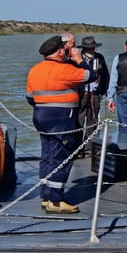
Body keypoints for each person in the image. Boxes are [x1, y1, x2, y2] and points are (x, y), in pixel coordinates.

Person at [26, 35, 96, 214]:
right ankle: (56, 200)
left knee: (48, 155)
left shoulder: (35, 70)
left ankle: (46, 196)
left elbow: (30, 97)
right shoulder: (65, 70)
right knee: (62, 157)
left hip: (41, 115)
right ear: (59, 51)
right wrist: (80, 60)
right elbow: (90, 75)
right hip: (62, 117)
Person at [77, 36, 109, 154]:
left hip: (95, 95)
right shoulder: (77, 59)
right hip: (81, 95)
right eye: (89, 48)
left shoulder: (100, 58)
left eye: (93, 48)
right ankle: (77, 148)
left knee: (93, 122)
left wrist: (104, 91)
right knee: (79, 122)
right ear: (84, 48)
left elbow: (106, 75)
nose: (92, 50)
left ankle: (89, 147)